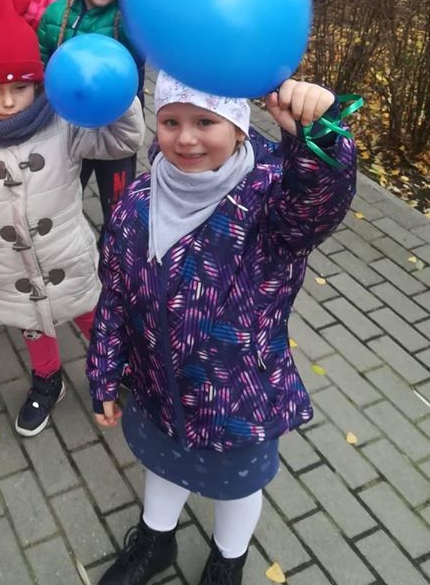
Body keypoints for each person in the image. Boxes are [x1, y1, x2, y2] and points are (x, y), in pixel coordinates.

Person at [87, 74, 357, 584]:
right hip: (158, 388)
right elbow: (115, 297)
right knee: (163, 466)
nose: (186, 138)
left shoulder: (269, 206)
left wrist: (317, 137)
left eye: (205, 122)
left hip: (237, 401)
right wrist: (104, 373)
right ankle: (155, 540)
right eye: (171, 121)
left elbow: (315, 205)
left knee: (237, 488)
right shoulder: (137, 203)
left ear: (237, 127)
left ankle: (228, 560)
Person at [0, 0, 144, 437]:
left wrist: (117, 98)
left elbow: (120, 142)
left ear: (38, 84)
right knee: (33, 326)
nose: (8, 101)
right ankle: (48, 379)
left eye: (19, 88)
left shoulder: (63, 122)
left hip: (68, 254)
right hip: (9, 268)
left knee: (92, 314)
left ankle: (113, 365)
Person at [38, 0, 142, 229]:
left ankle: (115, 247)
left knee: (118, 207)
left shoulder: (129, 16)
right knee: (64, 198)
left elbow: (144, 31)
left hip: (117, 131)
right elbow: (41, 62)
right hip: (69, 129)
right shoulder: (56, 13)